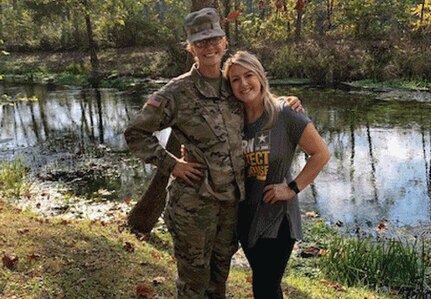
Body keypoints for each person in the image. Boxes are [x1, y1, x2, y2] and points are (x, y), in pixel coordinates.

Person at [124, 8, 302, 299]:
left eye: (213, 40)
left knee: (218, 282)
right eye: (200, 42)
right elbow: (135, 133)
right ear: (191, 47)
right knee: (194, 284)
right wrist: (172, 164)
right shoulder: (176, 92)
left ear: (224, 43)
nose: (208, 47)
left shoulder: (232, 87)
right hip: (193, 207)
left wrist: (288, 103)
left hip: (230, 207)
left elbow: (258, 99)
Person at [223, 51, 330, 299]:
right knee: (267, 286)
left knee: (265, 286)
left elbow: (321, 154)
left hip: (276, 218)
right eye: (235, 79)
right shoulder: (232, 119)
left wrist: (292, 188)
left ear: (260, 76)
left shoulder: (285, 114)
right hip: (245, 215)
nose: (243, 84)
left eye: (248, 75)